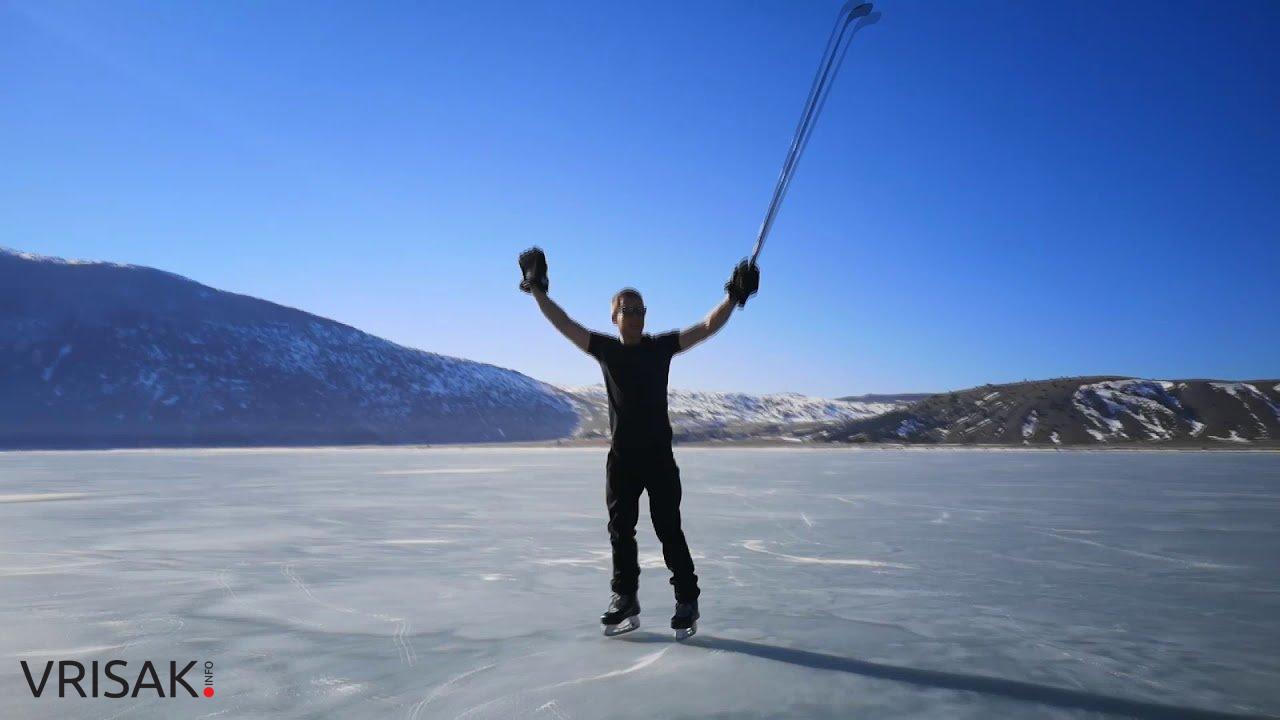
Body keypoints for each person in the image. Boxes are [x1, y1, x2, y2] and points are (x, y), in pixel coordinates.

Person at [518, 246, 759, 638]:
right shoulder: (606, 350)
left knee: (669, 529)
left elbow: (706, 326)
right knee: (620, 531)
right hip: (623, 459)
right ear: (614, 317)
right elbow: (564, 323)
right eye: (627, 309)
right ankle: (625, 598)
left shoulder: (659, 348)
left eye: (640, 309)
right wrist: (538, 291)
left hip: (658, 457)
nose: (634, 315)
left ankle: (687, 600)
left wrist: (733, 296)